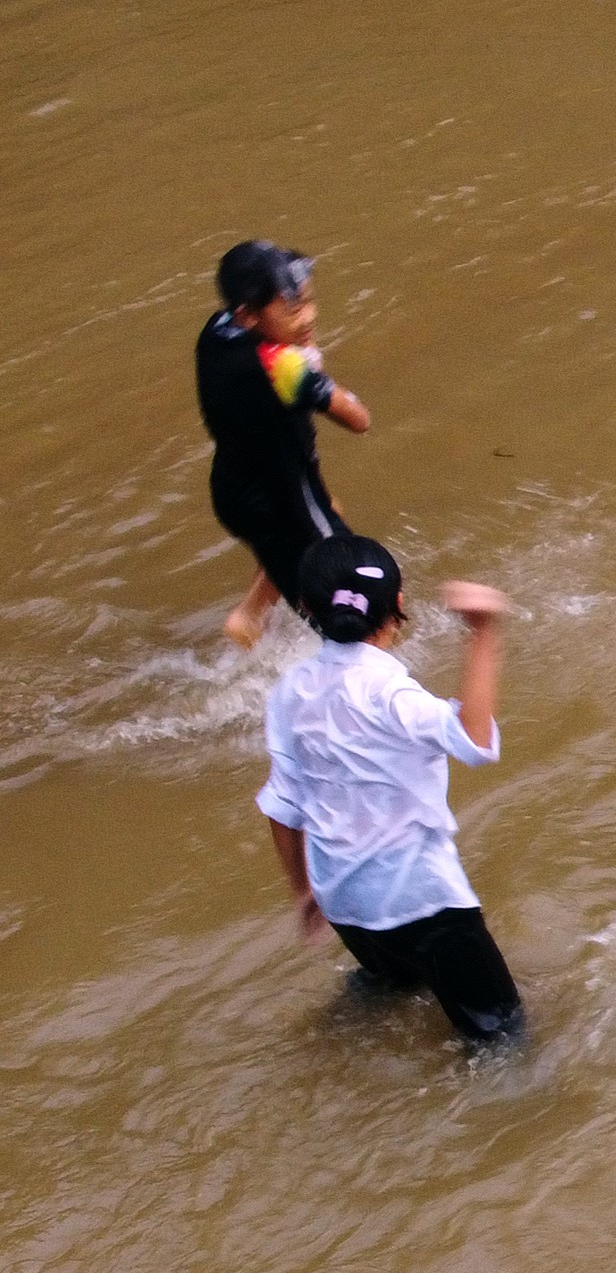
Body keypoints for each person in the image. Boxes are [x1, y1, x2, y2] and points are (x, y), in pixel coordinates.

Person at [257, 538, 525, 1046]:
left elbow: (282, 806)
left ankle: (338, 1033)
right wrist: (483, 633)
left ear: (306, 607)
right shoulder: (388, 691)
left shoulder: (289, 691)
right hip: (425, 902)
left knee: (395, 983)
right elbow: (473, 743)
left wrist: (304, 892)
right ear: (398, 605)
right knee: (502, 1038)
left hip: (344, 902)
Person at [197, 241, 373, 648]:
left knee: (318, 517)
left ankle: (250, 619)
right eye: (293, 309)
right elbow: (359, 419)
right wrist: (313, 366)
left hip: (235, 489)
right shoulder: (283, 366)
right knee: (360, 602)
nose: (308, 316)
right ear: (248, 315)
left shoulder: (217, 331)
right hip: (285, 499)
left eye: (308, 301)